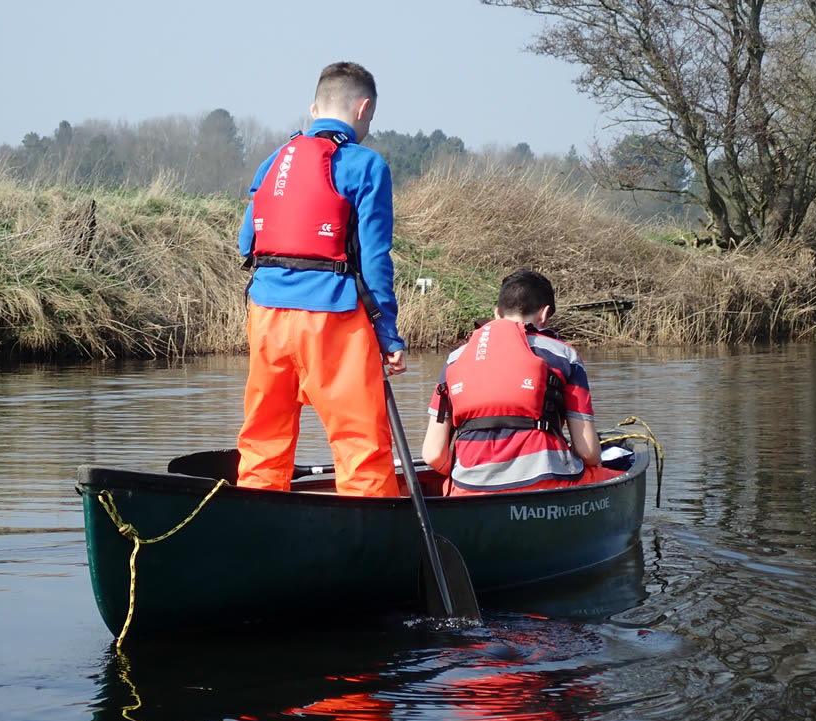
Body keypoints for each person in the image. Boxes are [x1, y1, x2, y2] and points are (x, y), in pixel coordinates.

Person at [235, 61, 405, 497]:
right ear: (364, 109)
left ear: (314, 109)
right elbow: (375, 259)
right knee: (359, 442)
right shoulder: (367, 165)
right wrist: (388, 334)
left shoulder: (273, 162)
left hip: (267, 317)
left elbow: (245, 242)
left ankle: (256, 514)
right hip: (333, 317)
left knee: (263, 438)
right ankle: (369, 530)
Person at [421, 269, 623, 495]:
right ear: (544, 314)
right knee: (611, 471)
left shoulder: (455, 359)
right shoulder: (564, 355)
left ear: (497, 313)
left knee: (449, 485)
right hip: (545, 484)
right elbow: (588, 453)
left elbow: (433, 454)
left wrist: (467, 474)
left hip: (469, 489)